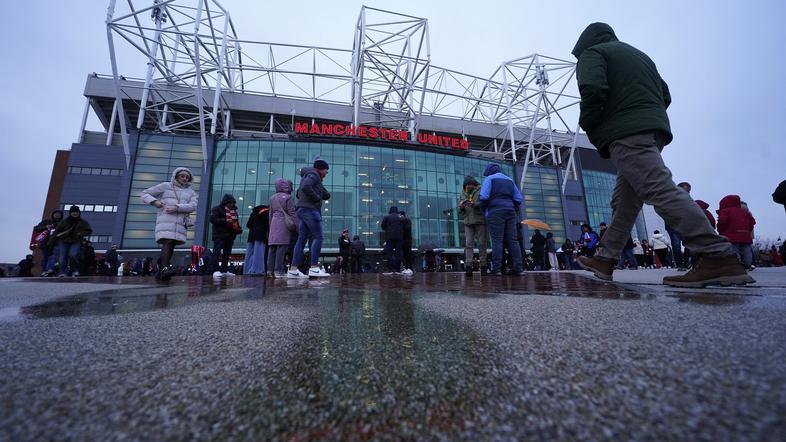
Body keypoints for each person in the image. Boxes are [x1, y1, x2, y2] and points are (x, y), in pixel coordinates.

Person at [571, 22, 752, 287]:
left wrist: (591, 123)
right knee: (625, 202)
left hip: (626, 133)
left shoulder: (593, 54)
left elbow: (593, 89)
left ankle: (717, 256)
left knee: (659, 189)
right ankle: (605, 258)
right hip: (652, 130)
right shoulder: (639, 56)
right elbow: (664, 94)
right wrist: (647, 114)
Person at [140, 167, 198, 281]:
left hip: (180, 223)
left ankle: (161, 269)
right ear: (176, 176)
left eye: (187, 177)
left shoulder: (191, 192)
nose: (185, 178)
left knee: (171, 245)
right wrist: (155, 202)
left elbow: (193, 206)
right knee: (168, 241)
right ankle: (164, 268)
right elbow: (144, 193)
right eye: (182, 176)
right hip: (166, 219)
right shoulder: (166, 186)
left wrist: (177, 207)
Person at [289, 157, 331, 278]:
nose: (326, 174)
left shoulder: (309, 176)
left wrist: (322, 192)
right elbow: (305, 187)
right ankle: (314, 267)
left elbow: (299, 192)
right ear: (320, 169)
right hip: (310, 210)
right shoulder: (313, 175)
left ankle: (293, 269)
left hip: (303, 210)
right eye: (326, 171)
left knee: (301, 240)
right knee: (319, 237)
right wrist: (317, 198)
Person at [478, 163, 524, 275]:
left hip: (495, 212)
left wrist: (484, 210)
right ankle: (518, 268)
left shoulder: (490, 179)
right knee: (513, 240)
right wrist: (512, 207)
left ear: (489, 171)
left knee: (497, 241)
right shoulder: (509, 180)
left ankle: (497, 269)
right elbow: (519, 198)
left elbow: (483, 196)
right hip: (510, 211)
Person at [268, 178, 298, 278]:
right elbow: (292, 213)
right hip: (283, 224)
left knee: (272, 248)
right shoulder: (288, 197)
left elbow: (270, 214)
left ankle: (269, 270)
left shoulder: (272, 197)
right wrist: (297, 226)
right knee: (282, 247)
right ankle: (279, 271)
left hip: (273, 224)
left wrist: (270, 226)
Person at [50, 205, 92, 277]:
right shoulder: (64, 221)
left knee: (73, 255)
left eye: (76, 212)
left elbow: (89, 231)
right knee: (62, 256)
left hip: (76, 241)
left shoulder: (83, 222)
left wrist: (80, 233)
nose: (75, 213)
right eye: (73, 212)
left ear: (79, 213)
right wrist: (50, 242)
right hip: (64, 241)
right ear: (70, 213)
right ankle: (62, 272)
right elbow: (56, 232)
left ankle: (75, 270)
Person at [717, 195, 756, 270]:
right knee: (746, 250)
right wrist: (748, 230)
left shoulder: (726, 211)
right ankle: (748, 265)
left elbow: (722, 221)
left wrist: (721, 230)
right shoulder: (745, 212)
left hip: (731, 235)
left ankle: (736, 265)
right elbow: (752, 222)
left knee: (734, 250)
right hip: (745, 235)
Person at [459, 176, 488, 276]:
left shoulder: (481, 190)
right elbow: (459, 210)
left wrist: (475, 204)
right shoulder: (462, 193)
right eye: (466, 185)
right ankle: (468, 266)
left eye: (470, 184)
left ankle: (483, 266)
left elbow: (485, 203)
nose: (468, 186)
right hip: (468, 222)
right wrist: (461, 207)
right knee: (468, 244)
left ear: (474, 184)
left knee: (481, 244)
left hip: (480, 220)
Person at [209, 194, 243, 278]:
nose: (231, 204)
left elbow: (235, 223)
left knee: (227, 254)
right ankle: (215, 270)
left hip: (230, 236)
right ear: (225, 202)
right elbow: (212, 219)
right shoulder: (217, 209)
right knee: (216, 253)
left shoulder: (234, 212)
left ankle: (224, 270)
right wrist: (226, 221)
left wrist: (238, 229)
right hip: (219, 235)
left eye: (232, 203)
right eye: (229, 203)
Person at [33, 209, 63, 276]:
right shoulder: (47, 221)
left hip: (57, 243)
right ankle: (44, 271)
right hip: (45, 243)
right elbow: (37, 228)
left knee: (54, 257)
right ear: (53, 215)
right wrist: (45, 227)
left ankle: (51, 270)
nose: (57, 215)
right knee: (45, 257)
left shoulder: (63, 223)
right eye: (56, 213)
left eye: (59, 214)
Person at [245, 203, 270, 277]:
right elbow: (267, 225)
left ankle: (247, 270)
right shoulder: (266, 212)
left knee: (249, 253)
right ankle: (257, 270)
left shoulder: (253, 213)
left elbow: (248, 225)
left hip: (251, 236)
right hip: (260, 235)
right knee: (258, 253)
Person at [381, 206, 405, 274]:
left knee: (389, 253)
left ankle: (391, 270)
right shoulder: (400, 218)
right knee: (398, 253)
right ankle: (397, 270)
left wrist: (388, 229)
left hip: (389, 237)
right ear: (397, 211)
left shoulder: (386, 217)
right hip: (399, 238)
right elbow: (404, 227)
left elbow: (383, 227)